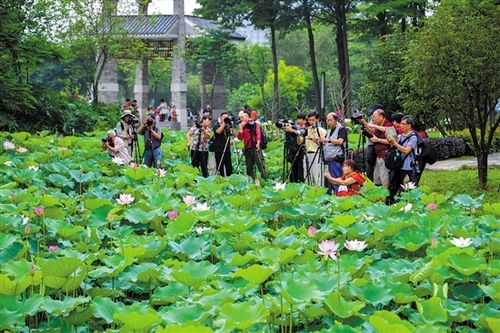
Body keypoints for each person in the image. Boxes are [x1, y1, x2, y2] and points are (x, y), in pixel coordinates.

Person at [387, 115, 419, 204]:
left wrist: (395, 143)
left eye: (403, 124)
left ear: (409, 125)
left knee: (409, 186)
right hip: (399, 165)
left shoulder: (413, 137)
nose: (400, 125)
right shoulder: (401, 136)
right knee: (395, 184)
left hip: (408, 165)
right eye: (401, 123)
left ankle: (410, 202)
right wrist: (390, 140)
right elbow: (394, 147)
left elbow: (406, 150)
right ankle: (394, 201)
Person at [359, 109, 392, 188]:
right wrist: (365, 125)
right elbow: (373, 132)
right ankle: (379, 198)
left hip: (385, 156)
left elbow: (393, 141)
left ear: (381, 117)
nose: (373, 119)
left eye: (374, 117)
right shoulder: (379, 126)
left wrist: (379, 140)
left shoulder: (388, 125)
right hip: (378, 156)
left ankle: (386, 198)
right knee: (377, 179)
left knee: (384, 179)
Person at [318, 112, 348, 194]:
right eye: (327, 120)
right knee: (327, 183)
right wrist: (317, 140)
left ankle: (339, 200)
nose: (328, 122)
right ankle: (327, 201)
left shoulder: (342, 129)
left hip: (336, 159)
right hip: (327, 160)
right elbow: (325, 142)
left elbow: (340, 141)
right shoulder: (328, 131)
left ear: (335, 120)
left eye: (330, 120)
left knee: (336, 181)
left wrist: (328, 140)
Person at [237, 112, 267, 180]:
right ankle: (250, 180)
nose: (241, 119)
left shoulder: (254, 124)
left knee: (260, 164)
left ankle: (265, 179)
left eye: (242, 117)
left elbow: (258, 134)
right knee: (249, 166)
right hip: (247, 148)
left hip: (256, 147)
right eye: (241, 117)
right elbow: (240, 138)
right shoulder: (242, 126)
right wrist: (241, 128)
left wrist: (258, 143)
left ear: (247, 117)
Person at [281, 114, 307, 183]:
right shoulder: (294, 127)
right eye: (297, 119)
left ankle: (301, 184)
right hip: (292, 151)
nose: (298, 121)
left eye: (300, 119)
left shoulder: (305, 129)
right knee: (293, 170)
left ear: (304, 120)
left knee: (300, 170)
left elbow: (300, 138)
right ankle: (293, 184)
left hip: (301, 152)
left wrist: (291, 130)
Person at [303, 111, 327, 187]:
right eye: (309, 120)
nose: (311, 122)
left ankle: (319, 190)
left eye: (313, 120)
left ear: (317, 120)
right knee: (306, 174)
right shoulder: (307, 130)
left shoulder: (322, 131)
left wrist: (314, 139)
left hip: (316, 154)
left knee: (317, 174)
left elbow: (323, 145)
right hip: (307, 154)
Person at [213, 112, 234, 177]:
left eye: (226, 117)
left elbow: (234, 134)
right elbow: (218, 132)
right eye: (224, 117)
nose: (225, 118)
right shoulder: (216, 125)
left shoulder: (228, 126)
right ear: (221, 118)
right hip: (219, 150)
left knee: (229, 167)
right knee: (220, 168)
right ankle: (221, 181)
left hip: (227, 149)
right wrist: (224, 123)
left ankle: (230, 180)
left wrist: (231, 126)